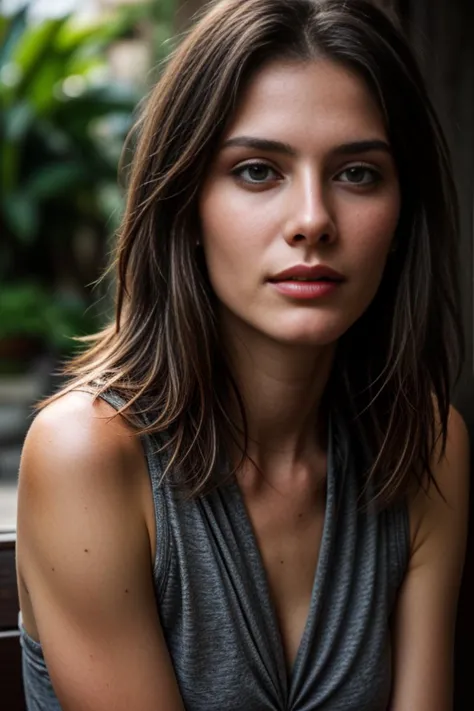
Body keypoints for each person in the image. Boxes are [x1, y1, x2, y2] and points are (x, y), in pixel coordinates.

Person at [16, 0, 469, 709]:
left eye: (357, 173)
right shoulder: (87, 455)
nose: (313, 219)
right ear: (187, 204)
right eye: (258, 171)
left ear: (402, 212)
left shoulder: (426, 446)